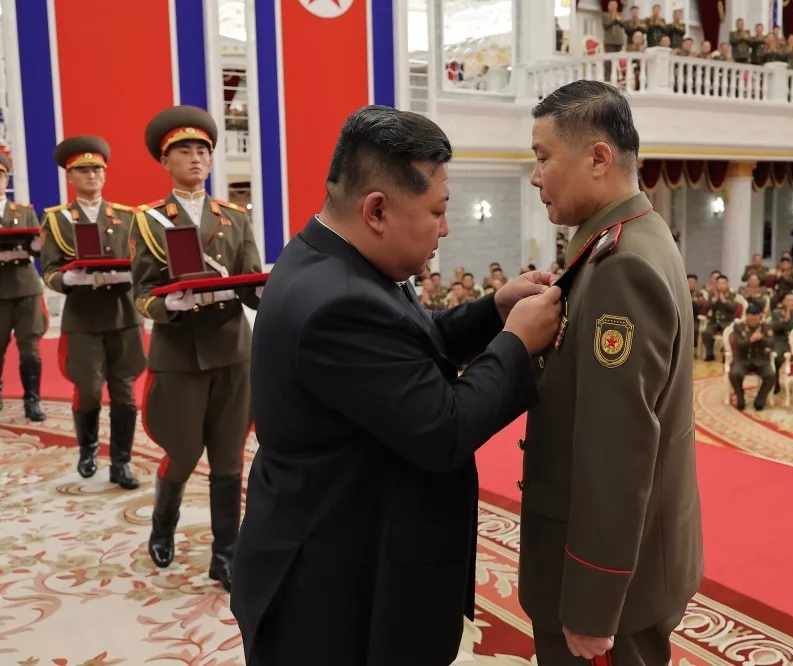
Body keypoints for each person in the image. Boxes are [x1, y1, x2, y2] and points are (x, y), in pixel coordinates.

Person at [231, 105, 563, 665]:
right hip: (331, 594)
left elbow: (410, 342)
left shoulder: (339, 259)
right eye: (438, 211)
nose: (445, 229)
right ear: (378, 210)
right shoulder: (338, 302)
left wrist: (492, 313)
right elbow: (445, 427)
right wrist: (517, 343)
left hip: (346, 550)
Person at [519, 80, 701, 666]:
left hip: (609, 585)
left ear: (598, 158)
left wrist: (593, 603)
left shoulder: (621, 266)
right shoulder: (626, 238)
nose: (535, 176)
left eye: (543, 157)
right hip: (636, 563)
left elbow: (617, 452)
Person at [129, 105, 262, 590]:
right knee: (182, 453)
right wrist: (168, 305)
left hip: (231, 351)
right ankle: (162, 527)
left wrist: (268, 290)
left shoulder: (234, 218)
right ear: (165, 161)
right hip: (179, 354)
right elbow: (141, 291)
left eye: (203, 151)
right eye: (184, 151)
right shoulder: (147, 220)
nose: (196, 158)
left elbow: (251, 283)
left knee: (229, 458)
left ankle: (226, 554)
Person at [40, 136, 145, 488]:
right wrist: (66, 279)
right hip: (83, 315)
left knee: (124, 391)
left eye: (97, 169)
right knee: (87, 389)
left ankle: (121, 462)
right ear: (70, 176)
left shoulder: (128, 217)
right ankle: (88, 450)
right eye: (83, 170)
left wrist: (131, 275)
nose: (92, 175)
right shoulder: (57, 220)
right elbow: (49, 270)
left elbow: (142, 262)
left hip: (121, 313)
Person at [0, 152, 46, 421]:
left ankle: (32, 399)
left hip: (25, 288)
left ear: (6, 180)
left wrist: (37, 245)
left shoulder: (25, 212)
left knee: (30, 347)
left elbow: (40, 250)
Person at [728, 303, 775, 411]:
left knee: (770, 375)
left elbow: (771, 343)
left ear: (760, 317)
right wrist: (751, 340)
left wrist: (761, 338)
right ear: (746, 316)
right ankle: (740, 397)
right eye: (750, 318)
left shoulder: (766, 327)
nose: (753, 321)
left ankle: (760, 399)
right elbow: (738, 344)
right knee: (735, 374)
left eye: (755, 318)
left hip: (761, 359)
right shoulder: (739, 327)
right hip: (743, 359)